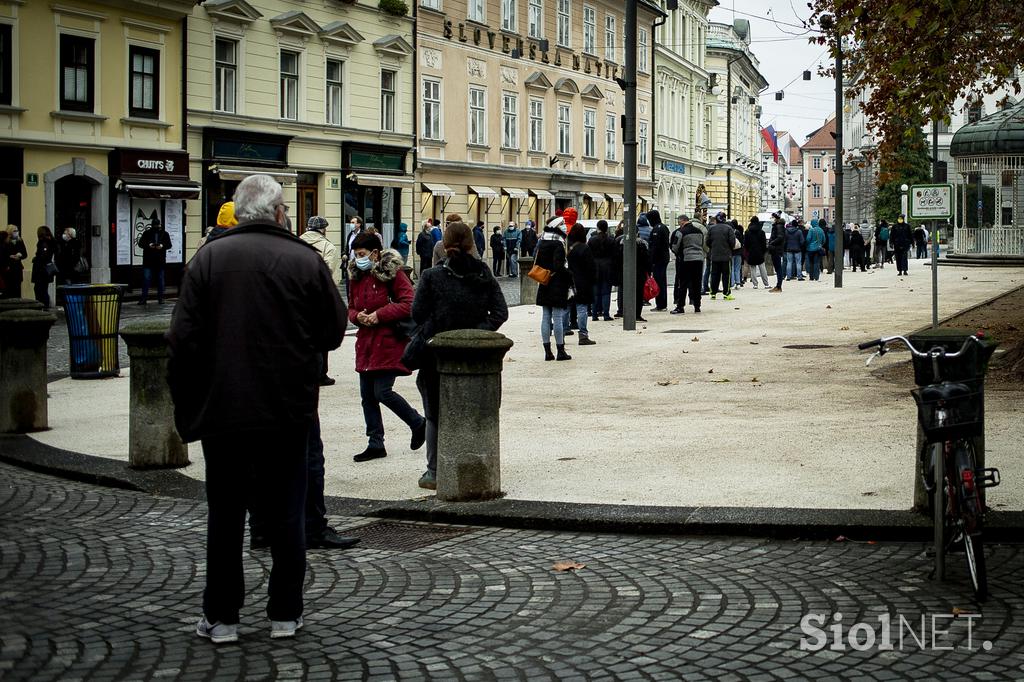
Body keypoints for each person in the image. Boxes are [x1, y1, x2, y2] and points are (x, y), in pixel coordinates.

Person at [167, 173, 347, 644]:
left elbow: (181, 339)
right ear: (279, 211)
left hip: (223, 409)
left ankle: (222, 617)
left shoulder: (207, 259)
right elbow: (333, 329)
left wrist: (191, 399)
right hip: (287, 408)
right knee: (287, 510)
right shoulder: (304, 260)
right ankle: (285, 613)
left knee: (225, 515)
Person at [411, 221, 507, 490]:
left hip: (437, 353)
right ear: (471, 244)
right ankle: (476, 463)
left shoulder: (431, 276)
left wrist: (439, 325)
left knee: (433, 412)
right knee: (477, 408)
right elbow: (501, 312)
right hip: (476, 355)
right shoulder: (483, 273)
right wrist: (477, 332)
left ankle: (433, 470)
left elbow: (417, 314)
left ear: (444, 244)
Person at [346, 233, 426, 463]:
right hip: (366, 343)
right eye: (356, 254)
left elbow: (409, 303)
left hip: (387, 341)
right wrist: (357, 317)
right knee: (367, 396)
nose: (358, 258)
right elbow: (351, 307)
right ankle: (375, 443)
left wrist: (379, 316)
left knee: (382, 392)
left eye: (362, 254)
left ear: (375, 253)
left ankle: (417, 422)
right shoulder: (356, 275)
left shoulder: (393, 273)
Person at [301, 216, 341, 387]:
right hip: (319, 297)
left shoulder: (296, 243)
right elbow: (329, 273)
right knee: (320, 336)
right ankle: (320, 374)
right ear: (323, 229)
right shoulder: (328, 247)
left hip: (298, 295)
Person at [535, 216, 573, 360]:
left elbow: (537, 262)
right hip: (557, 283)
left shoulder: (542, 242)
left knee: (545, 316)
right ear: (557, 226)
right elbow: (558, 266)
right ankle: (560, 350)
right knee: (557, 317)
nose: (564, 226)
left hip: (544, 282)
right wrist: (568, 273)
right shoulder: (558, 243)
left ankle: (547, 351)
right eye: (562, 224)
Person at [566, 224, 597, 346]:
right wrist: (593, 279)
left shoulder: (568, 248)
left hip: (569, 281)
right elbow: (590, 267)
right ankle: (583, 334)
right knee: (582, 308)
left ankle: (563, 330)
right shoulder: (585, 248)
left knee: (566, 307)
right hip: (583, 281)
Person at [671, 214, 705, 313]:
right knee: (697, 283)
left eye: (679, 222)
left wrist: (678, 254)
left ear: (682, 221)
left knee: (683, 283)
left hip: (686, 259)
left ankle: (680, 306)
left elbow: (675, 247)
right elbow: (702, 244)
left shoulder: (681, 232)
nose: (679, 225)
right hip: (699, 259)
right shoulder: (699, 232)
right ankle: (697, 305)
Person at [138, 217, 172, 304]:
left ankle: (160, 298)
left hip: (159, 260)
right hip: (149, 260)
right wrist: (149, 245)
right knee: (147, 279)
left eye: (157, 225)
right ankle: (144, 298)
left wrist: (162, 246)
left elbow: (169, 244)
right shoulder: (147, 233)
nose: (156, 226)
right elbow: (141, 243)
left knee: (160, 280)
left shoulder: (164, 234)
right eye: (155, 225)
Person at [588, 220, 614, 321]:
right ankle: (606, 314)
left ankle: (594, 314)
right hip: (607, 267)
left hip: (595, 267)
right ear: (607, 228)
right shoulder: (611, 240)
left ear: (597, 228)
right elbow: (614, 255)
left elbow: (588, 255)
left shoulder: (592, 240)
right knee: (606, 292)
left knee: (595, 292)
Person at [646, 209, 670, 311]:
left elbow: (655, 247)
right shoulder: (663, 227)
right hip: (663, 258)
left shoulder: (657, 229)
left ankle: (661, 304)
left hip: (658, 259)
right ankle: (662, 303)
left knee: (659, 282)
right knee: (662, 281)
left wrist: (651, 261)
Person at [705, 216, 734, 300]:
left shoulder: (711, 229)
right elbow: (732, 242)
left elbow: (707, 242)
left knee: (714, 275)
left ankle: (713, 293)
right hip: (726, 256)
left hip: (714, 256)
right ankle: (726, 293)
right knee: (726, 275)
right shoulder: (729, 228)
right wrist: (728, 249)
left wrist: (713, 247)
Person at [31, 226, 57, 308]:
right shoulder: (50, 242)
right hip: (45, 270)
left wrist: (36, 259)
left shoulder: (43, 243)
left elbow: (43, 256)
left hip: (41, 270)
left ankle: (43, 306)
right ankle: (44, 305)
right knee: (43, 289)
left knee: (39, 290)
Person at [1, 225, 27, 299]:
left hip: (17, 267)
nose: (17, 232)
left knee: (17, 287)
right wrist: (10, 256)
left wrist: (20, 255)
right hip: (9, 268)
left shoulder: (20, 241)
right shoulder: (5, 242)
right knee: (9, 288)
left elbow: (25, 254)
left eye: (17, 230)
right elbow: (3, 254)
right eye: (14, 231)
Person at [744, 217, 769, 289]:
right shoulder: (761, 232)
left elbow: (746, 244)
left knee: (752, 268)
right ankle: (766, 284)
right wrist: (763, 251)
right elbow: (764, 244)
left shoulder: (747, 232)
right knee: (762, 268)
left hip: (751, 252)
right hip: (760, 252)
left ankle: (755, 284)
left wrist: (748, 250)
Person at [767, 215, 786, 292]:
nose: (771, 219)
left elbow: (780, 237)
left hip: (776, 249)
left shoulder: (779, 226)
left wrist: (771, 243)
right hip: (776, 249)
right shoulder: (778, 226)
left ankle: (778, 286)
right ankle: (778, 286)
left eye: (772, 217)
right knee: (778, 268)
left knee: (778, 268)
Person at [730, 219, 744, 288]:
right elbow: (741, 242)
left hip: (731, 253)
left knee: (731, 268)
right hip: (738, 252)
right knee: (737, 268)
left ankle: (732, 283)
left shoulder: (729, 232)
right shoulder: (738, 232)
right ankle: (738, 282)